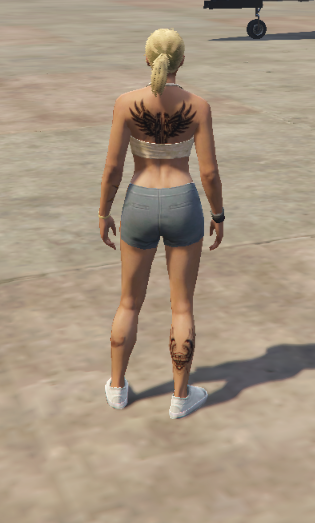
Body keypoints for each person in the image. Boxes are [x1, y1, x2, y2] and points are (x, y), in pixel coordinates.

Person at [98, 28, 224, 419]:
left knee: (128, 302)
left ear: (147, 59)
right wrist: (218, 213)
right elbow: (209, 173)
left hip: (139, 200)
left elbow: (113, 168)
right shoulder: (198, 106)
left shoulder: (126, 103)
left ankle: (117, 387)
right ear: (182, 60)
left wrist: (103, 211)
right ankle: (181, 398)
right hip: (183, 202)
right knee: (182, 307)